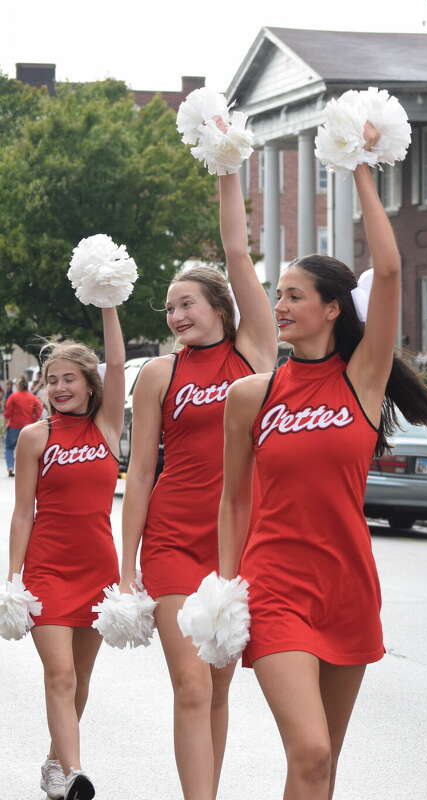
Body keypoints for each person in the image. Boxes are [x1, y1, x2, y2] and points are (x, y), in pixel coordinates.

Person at [216, 121, 427, 799]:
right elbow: (233, 499)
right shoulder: (251, 395)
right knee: (311, 749)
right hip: (274, 586)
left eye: (294, 295)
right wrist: (227, 589)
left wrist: (356, 168)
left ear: (330, 309)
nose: (281, 305)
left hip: (348, 585)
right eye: (278, 295)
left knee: (322, 768)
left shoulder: (364, 379)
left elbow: (392, 270)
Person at [118, 141, 277, 799]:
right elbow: (143, 474)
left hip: (238, 545)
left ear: (218, 305)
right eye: (169, 309)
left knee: (217, 683)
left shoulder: (255, 352)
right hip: (174, 541)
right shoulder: (160, 374)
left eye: (187, 303)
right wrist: (126, 565)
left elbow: (238, 253)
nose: (177, 316)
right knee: (189, 684)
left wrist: (227, 164)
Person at [7, 310, 126, 800]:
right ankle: (75, 772)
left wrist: (106, 300)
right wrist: (13, 579)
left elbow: (118, 364)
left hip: (99, 570)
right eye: (51, 379)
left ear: (89, 384)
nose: (58, 387)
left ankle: (55, 761)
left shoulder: (107, 424)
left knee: (81, 679)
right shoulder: (36, 437)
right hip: (47, 571)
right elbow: (22, 514)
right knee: (59, 673)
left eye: (69, 378)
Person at [5, 377, 44, 477]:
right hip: (29, 426)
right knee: (28, 449)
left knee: (9, 447)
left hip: (14, 426)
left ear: (18, 385)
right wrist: (35, 418)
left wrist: (7, 420)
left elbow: (7, 411)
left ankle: (10, 467)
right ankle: (27, 469)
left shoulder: (13, 396)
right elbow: (39, 409)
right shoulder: (32, 397)